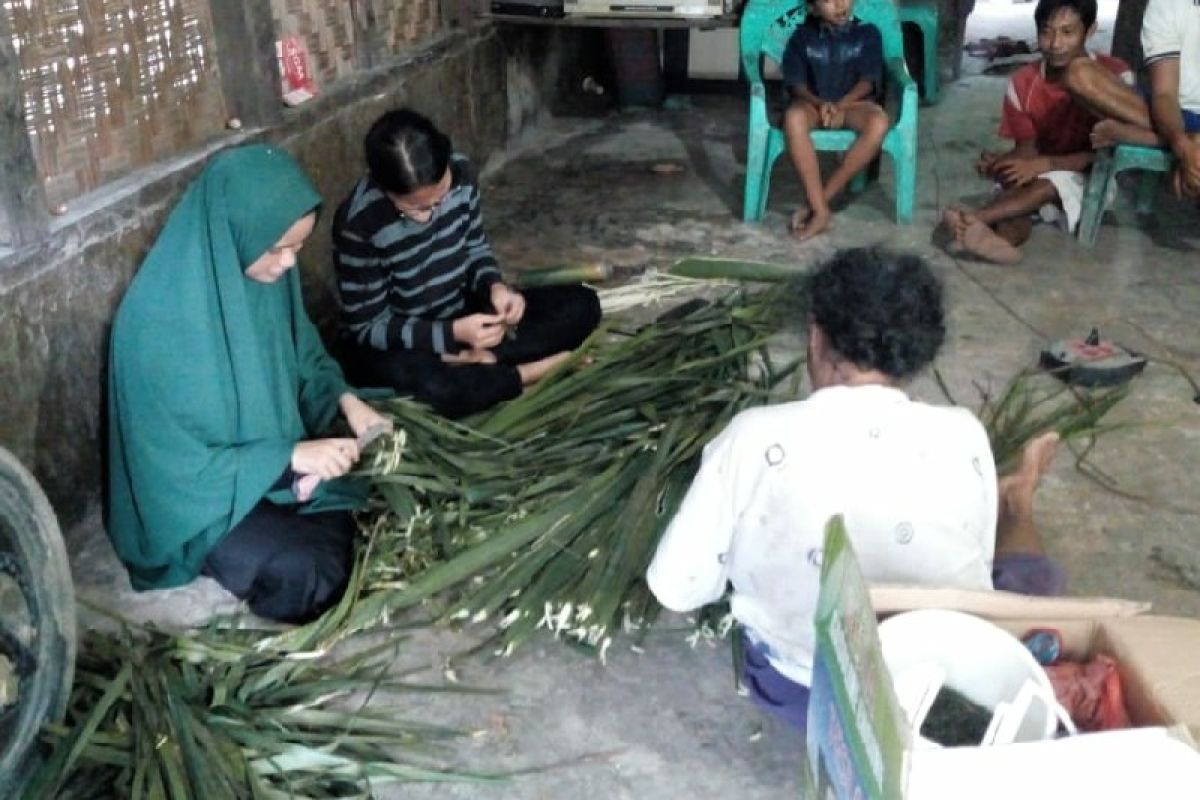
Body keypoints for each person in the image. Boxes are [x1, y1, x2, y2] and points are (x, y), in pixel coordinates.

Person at [646, 247, 1065, 732]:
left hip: (803, 692)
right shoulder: (962, 430)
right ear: (919, 352)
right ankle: (1019, 503)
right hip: (943, 691)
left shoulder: (755, 435)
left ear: (816, 336)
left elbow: (676, 590)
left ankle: (1016, 498)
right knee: (1031, 585)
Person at [107, 144, 391, 624]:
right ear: (234, 232)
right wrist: (289, 457)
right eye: (277, 247)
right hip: (201, 505)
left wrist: (347, 401)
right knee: (306, 573)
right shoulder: (152, 324)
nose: (286, 264)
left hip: (270, 472)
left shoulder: (264, 277)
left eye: (297, 248)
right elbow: (170, 471)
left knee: (369, 482)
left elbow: (304, 359)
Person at [332, 109, 602, 419]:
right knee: (429, 389)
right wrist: (451, 334)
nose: (432, 213)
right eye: (417, 209)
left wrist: (495, 288)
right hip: (408, 340)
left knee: (582, 304)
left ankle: (488, 359)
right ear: (383, 187)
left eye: (441, 197)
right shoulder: (359, 223)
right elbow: (369, 326)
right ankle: (524, 373)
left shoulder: (461, 173)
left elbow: (474, 247)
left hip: (462, 314)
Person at [942, 0, 1133, 264]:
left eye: (1068, 32)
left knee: (1048, 185)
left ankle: (974, 218)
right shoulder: (1023, 82)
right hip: (1039, 168)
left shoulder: (1115, 75)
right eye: (1046, 32)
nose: (1055, 44)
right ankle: (996, 239)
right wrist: (1006, 162)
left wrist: (1044, 163)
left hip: (1094, 175)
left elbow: (1114, 151)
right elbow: (1027, 150)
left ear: (1090, 31)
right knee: (1016, 190)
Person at [1054, 0, 1200, 199]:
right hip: (1167, 111)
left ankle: (1153, 138)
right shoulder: (1167, 5)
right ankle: (1184, 140)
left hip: (1161, 122)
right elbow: (1164, 94)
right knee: (1079, 74)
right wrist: (1182, 146)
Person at [780, 0, 890, 240]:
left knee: (878, 122)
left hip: (851, 105)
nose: (840, 4)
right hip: (813, 105)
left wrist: (840, 105)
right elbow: (796, 84)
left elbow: (868, 81)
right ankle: (821, 212)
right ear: (812, 6)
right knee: (793, 118)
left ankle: (819, 201)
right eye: (829, 0)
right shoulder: (801, 37)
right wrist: (820, 104)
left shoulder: (867, 33)